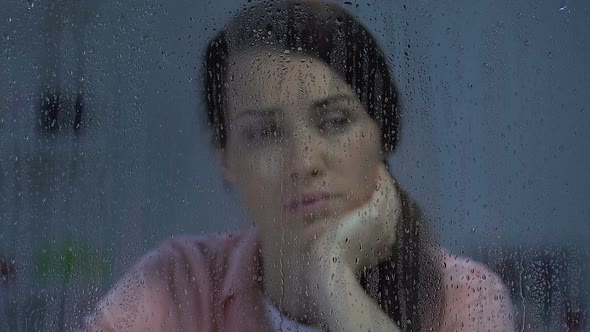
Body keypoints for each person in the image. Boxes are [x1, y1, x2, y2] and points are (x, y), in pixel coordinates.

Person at [81, 1, 515, 331]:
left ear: (382, 134)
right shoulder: (176, 283)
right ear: (226, 157)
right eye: (265, 133)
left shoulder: (460, 297)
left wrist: (336, 284)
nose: (304, 162)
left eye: (335, 121)